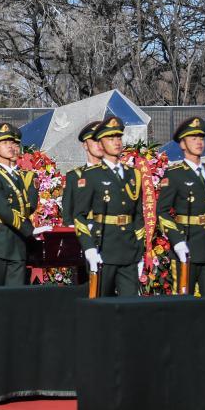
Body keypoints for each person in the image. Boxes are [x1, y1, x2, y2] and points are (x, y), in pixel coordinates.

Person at [72, 116, 144, 297]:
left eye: (118, 137)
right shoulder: (91, 175)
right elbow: (79, 216)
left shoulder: (133, 174)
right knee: (101, 303)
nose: (116, 142)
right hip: (103, 247)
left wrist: (139, 250)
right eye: (110, 138)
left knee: (131, 304)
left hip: (128, 250)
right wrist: (89, 248)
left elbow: (138, 216)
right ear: (101, 144)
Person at [157, 117, 205, 297]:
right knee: (183, 302)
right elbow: (162, 211)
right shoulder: (174, 174)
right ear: (182, 144)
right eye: (193, 138)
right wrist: (177, 241)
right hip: (187, 243)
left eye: (201, 138)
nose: (199, 142)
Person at [0, 124, 50, 286]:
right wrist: (29, 229)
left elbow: (27, 205)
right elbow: (3, 208)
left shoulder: (19, 177)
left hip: (17, 243)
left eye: (11, 142)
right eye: (4, 143)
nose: (10, 146)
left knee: (15, 296)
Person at [61, 121, 104, 229]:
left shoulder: (117, 173)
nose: (99, 144)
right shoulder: (74, 176)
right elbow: (67, 215)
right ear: (85, 145)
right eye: (95, 140)